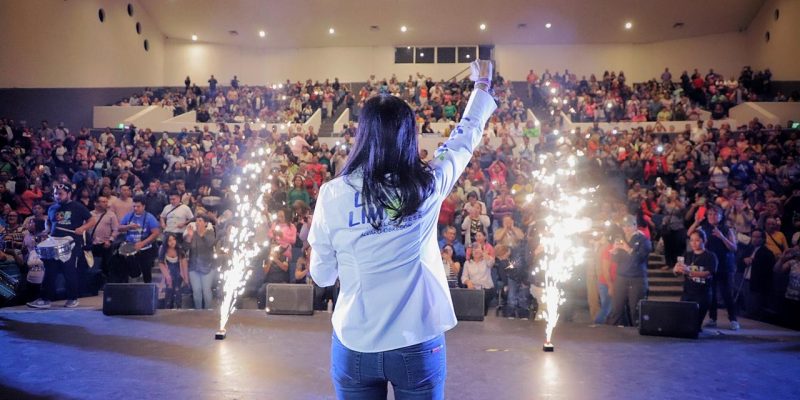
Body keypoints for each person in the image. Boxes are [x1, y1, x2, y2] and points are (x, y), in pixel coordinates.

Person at [309, 60, 496, 399]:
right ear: (408, 135)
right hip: (416, 342)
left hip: (355, 344)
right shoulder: (427, 184)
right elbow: (464, 139)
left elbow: (321, 276)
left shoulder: (333, 194)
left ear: (362, 134)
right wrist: (482, 85)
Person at [27, 184, 95, 308]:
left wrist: (82, 228)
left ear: (69, 194)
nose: (57, 196)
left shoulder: (78, 206)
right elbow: (49, 224)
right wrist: (46, 232)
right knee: (50, 270)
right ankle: (45, 299)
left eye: (60, 193)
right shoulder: (52, 208)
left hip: (70, 242)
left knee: (68, 270)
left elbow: (92, 220)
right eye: (56, 193)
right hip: (54, 242)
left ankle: (73, 298)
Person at [689, 205, 740, 330]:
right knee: (710, 293)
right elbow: (689, 233)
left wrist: (721, 236)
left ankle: (733, 319)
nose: (712, 216)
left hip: (725, 265)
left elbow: (733, 248)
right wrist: (696, 221)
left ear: (721, 216)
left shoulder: (727, 229)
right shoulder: (704, 228)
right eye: (710, 214)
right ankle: (712, 318)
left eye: (715, 214)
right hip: (709, 264)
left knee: (727, 293)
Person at [606, 215, 652, 326]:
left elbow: (640, 259)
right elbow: (615, 260)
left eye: (629, 226)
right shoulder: (620, 238)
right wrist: (615, 252)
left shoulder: (643, 239)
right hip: (621, 277)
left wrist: (627, 248)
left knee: (635, 309)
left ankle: (637, 335)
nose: (626, 229)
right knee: (617, 308)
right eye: (624, 226)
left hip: (637, 278)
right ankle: (613, 334)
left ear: (635, 226)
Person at [673, 230, 718, 333]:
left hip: (703, 294)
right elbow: (677, 272)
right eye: (692, 240)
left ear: (704, 240)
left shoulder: (711, 256)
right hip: (687, 292)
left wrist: (689, 272)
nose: (694, 243)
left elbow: (708, 273)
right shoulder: (687, 255)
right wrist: (676, 270)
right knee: (683, 322)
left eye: (697, 240)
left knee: (695, 325)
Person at [118, 196, 161, 283]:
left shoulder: (149, 217)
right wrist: (128, 226)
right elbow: (119, 228)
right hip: (130, 247)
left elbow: (156, 233)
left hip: (145, 248)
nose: (135, 208)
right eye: (134, 206)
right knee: (132, 270)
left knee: (146, 270)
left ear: (144, 206)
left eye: (138, 206)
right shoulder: (129, 216)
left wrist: (142, 243)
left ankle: (148, 290)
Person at [186, 214, 216, 309]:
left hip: (208, 266)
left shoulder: (210, 232)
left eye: (200, 220)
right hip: (194, 267)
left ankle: (208, 312)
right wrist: (189, 237)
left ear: (206, 223)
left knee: (206, 291)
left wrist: (201, 234)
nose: (197, 223)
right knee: (196, 291)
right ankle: (198, 312)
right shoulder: (192, 233)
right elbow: (184, 248)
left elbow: (210, 243)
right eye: (196, 221)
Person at [157, 233, 188, 309]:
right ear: (166, 242)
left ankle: (178, 310)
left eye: (173, 239)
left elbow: (184, 265)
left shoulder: (180, 249)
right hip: (168, 273)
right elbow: (161, 264)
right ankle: (168, 310)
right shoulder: (163, 250)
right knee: (169, 293)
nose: (172, 242)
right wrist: (167, 276)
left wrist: (186, 279)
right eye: (169, 240)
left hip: (178, 274)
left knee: (178, 293)